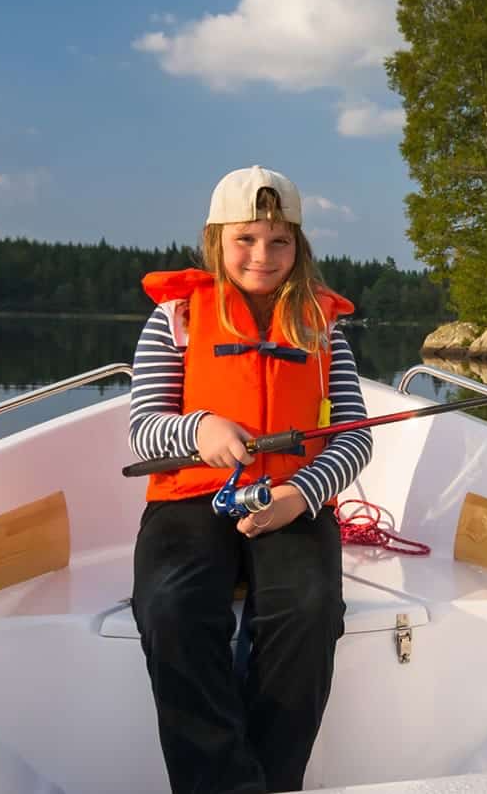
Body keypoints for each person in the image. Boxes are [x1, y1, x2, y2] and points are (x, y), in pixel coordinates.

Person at [128, 165, 373, 794]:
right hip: (189, 501)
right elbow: (144, 429)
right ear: (216, 240)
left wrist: (302, 494)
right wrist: (200, 430)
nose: (262, 256)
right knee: (173, 609)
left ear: (299, 246)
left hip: (292, 500)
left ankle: (274, 779)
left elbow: (354, 436)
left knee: (312, 611)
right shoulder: (176, 318)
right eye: (246, 239)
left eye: (279, 241)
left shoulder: (324, 325)